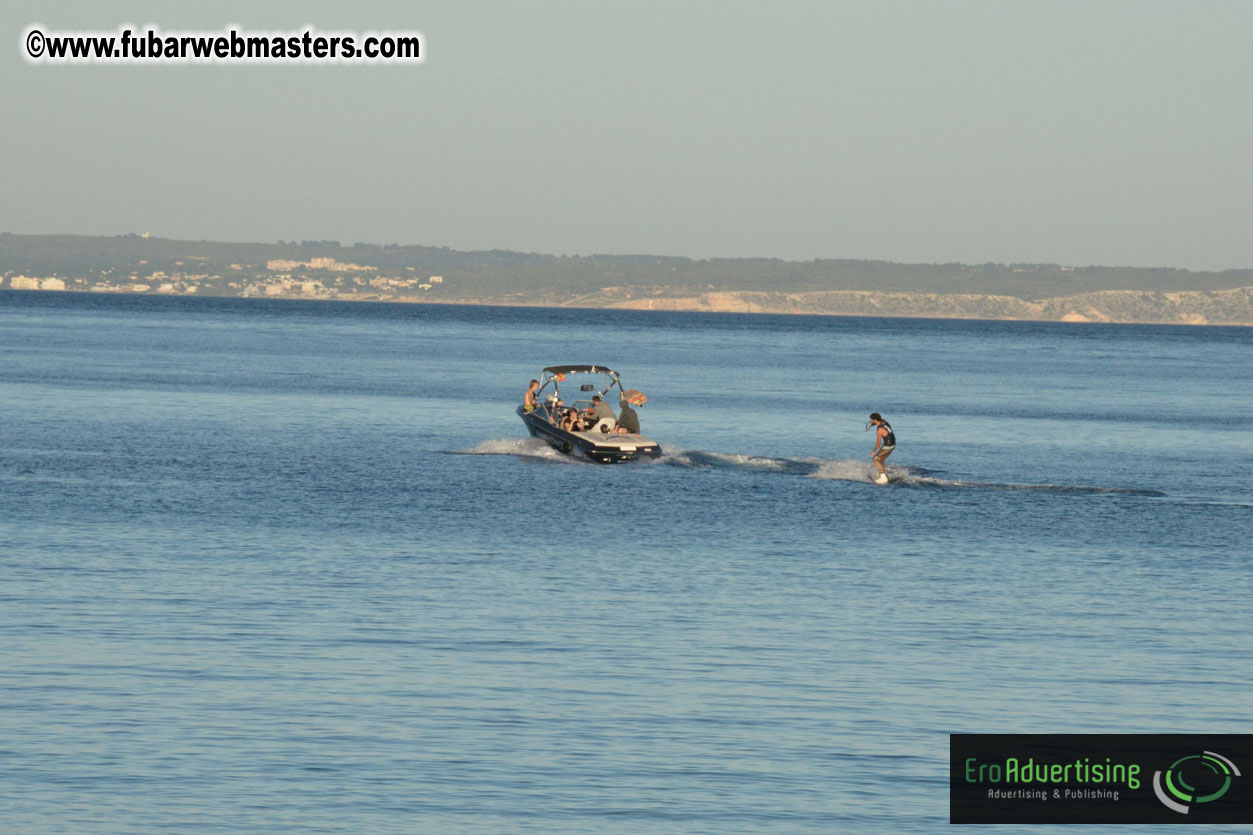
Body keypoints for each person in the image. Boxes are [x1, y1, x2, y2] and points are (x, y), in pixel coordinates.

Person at [868, 412, 896, 484]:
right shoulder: (884, 421)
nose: (871, 421)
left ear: (875, 420)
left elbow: (878, 443)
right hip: (893, 444)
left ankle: (883, 478)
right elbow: (877, 423)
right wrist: (872, 425)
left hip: (888, 446)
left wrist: (873, 451)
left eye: (871, 420)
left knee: (875, 459)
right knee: (881, 460)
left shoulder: (879, 430)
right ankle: (883, 474)